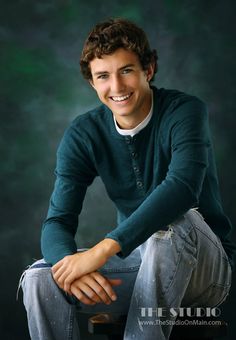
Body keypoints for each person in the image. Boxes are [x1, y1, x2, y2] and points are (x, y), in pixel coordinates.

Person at [21, 18, 234, 340]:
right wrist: (68, 266)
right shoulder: (84, 133)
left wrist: (101, 251)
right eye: (103, 76)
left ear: (148, 69)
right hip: (138, 267)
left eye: (126, 71)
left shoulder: (184, 111)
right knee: (40, 279)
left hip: (205, 273)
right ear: (92, 83)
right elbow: (58, 220)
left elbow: (182, 186)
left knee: (178, 222)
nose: (117, 88)